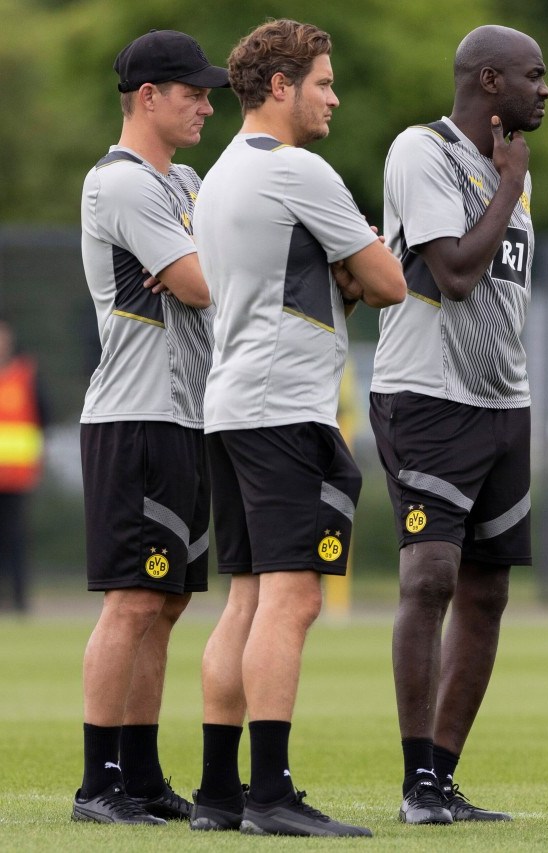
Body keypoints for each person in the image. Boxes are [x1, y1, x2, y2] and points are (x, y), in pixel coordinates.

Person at [189, 18, 406, 838]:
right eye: (322, 81)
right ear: (280, 86)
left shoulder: (217, 177)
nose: (333, 97)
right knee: (293, 598)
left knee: (245, 600)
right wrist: (356, 264)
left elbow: (325, 277)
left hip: (232, 405)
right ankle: (271, 794)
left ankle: (219, 793)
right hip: (287, 408)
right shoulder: (297, 171)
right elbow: (385, 280)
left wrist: (341, 270)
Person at [369, 24, 548, 825]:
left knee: (487, 591)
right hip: (427, 397)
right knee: (430, 576)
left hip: (503, 404)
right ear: (488, 81)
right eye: (532, 76)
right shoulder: (422, 151)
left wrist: (511, 181)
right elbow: (454, 272)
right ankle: (414, 782)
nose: (544, 89)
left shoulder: (513, 169)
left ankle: (443, 780)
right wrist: (507, 186)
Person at [74, 29, 229, 826]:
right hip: (134, 417)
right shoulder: (121, 184)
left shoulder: (190, 180)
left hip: (184, 416)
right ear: (148, 98)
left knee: (164, 602)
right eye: (193, 92)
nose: (207, 105)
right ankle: (98, 783)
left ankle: (139, 775)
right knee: (132, 602)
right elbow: (201, 283)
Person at [0, 318, 49, 614]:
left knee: (16, 541)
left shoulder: (26, 375)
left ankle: (19, 602)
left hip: (17, 476)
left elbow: (44, 415)